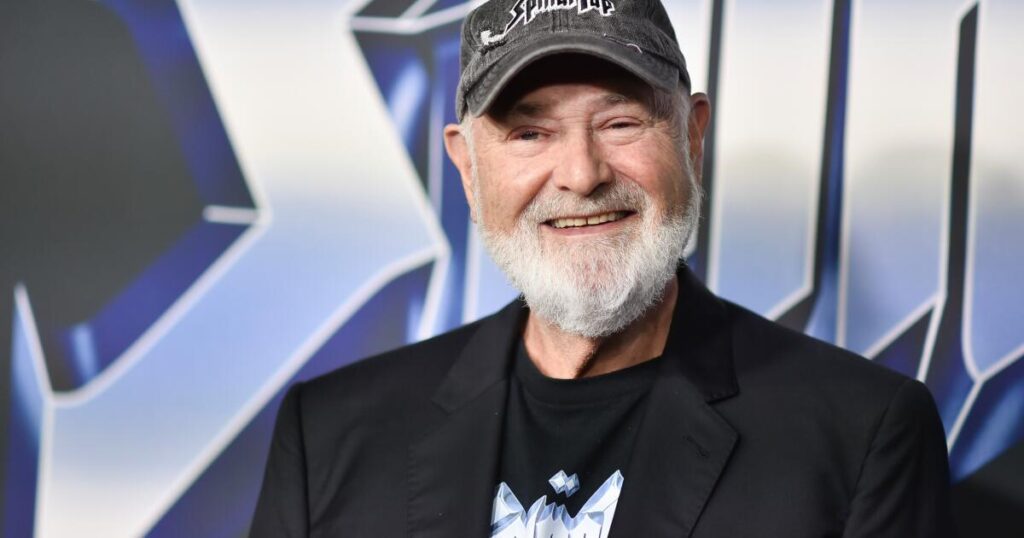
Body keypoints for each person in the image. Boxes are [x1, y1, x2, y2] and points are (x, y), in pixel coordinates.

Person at [251, 0, 956, 535]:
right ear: (468, 167)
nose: (582, 174)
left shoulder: (860, 436)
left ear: (692, 138)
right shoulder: (330, 437)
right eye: (530, 132)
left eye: (620, 123)